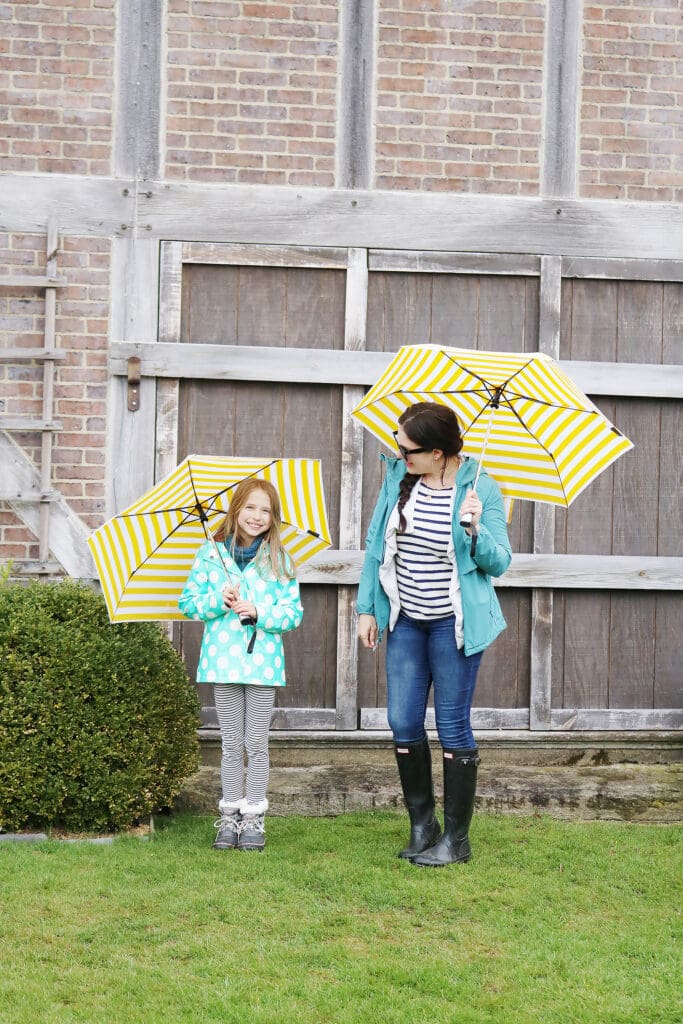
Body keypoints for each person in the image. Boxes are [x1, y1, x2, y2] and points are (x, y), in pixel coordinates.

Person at [357, 402, 512, 867]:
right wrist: (367, 608)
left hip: (453, 626)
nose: (399, 453)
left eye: (408, 449)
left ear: (439, 452)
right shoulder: (398, 480)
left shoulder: (481, 488)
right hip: (406, 621)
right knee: (403, 722)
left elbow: (499, 562)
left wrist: (475, 530)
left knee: (451, 727)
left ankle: (457, 841)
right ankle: (423, 825)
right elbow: (373, 546)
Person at [179, 478, 303, 852]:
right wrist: (219, 599)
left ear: (273, 517)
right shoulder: (210, 555)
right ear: (236, 510)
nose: (257, 516)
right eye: (250, 507)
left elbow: (292, 613)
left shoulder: (279, 560)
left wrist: (259, 611)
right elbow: (188, 604)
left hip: (262, 665)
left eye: (266, 510)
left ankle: (254, 818)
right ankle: (229, 816)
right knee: (232, 743)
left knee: (257, 743)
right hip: (223, 663)